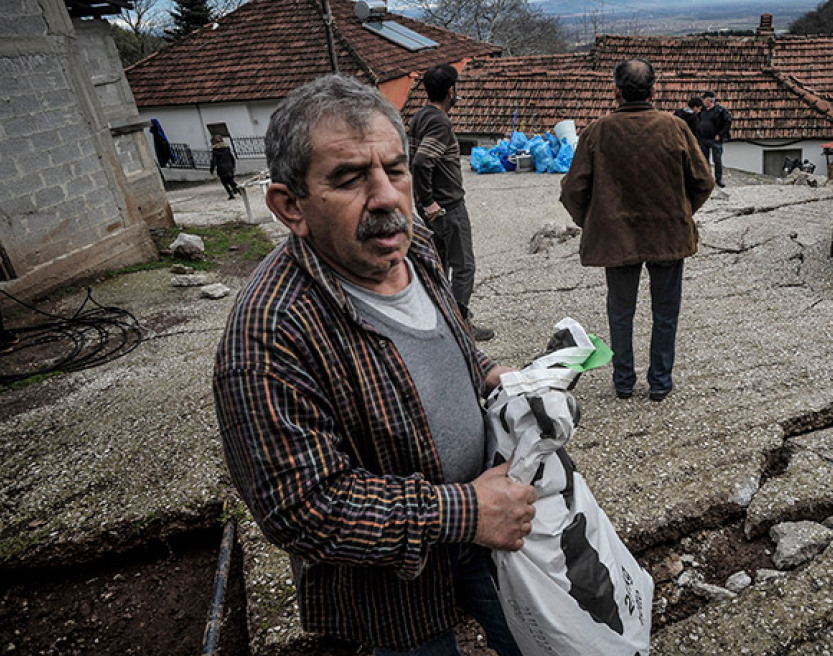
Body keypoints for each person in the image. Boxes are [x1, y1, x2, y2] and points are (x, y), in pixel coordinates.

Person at [213, 74, 535, 656]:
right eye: (349, 177)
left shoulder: (412, 243)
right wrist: (465, 512)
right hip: (393, 591)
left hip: (487, 529)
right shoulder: (267, 337)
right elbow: (302, 509)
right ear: (291, 207)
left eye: (395, 169)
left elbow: (449, 338)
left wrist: (498, 377)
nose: (386, 196)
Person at [560, 59, 715, 402]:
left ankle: (624, 382)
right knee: (666, 311)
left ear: (615, 91)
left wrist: (595, 221)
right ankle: (660, 382)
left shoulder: (597, 131)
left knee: (620, 311)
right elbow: (704, 181)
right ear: (655, 90)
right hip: (668, 236)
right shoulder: (674, 128)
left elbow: (572, 190)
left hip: (617, 237)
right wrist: (682, 213)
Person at [409, 64, 494, 341]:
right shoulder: (439, 122)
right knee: (464, 266)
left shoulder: (418, 116)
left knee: (439, 266)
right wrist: (430, 200)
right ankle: (460, 324)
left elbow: (414, 160)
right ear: (450, 91)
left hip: (431, 209)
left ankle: (442, 322)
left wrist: (422, 202)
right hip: (448, 207)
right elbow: (422, 161)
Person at [695, 89, 732, 188]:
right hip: (703, 139)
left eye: (705, 99)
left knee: (717, 160)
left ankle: (718, 179)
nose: (703, 101)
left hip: (715, 139)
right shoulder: (702, 110)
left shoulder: (720, 111)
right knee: (704, 160)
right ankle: (707, 178)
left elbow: (728, 122)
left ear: (710, 100)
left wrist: (720, 134)